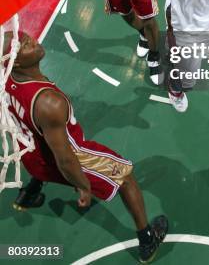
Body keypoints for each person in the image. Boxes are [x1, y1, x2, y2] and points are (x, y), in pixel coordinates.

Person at [3, 31, 168, 264]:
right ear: (16, 61)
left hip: (31, 156)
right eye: (23, 45)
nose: (32, 39)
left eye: (25, 36)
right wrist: (83, 187)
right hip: (70, 157)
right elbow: (66, 160)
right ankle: (147, 239)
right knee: (125, 177)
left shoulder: (5, 76)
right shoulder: (49, 103)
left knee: (41, 144)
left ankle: (29, 194)